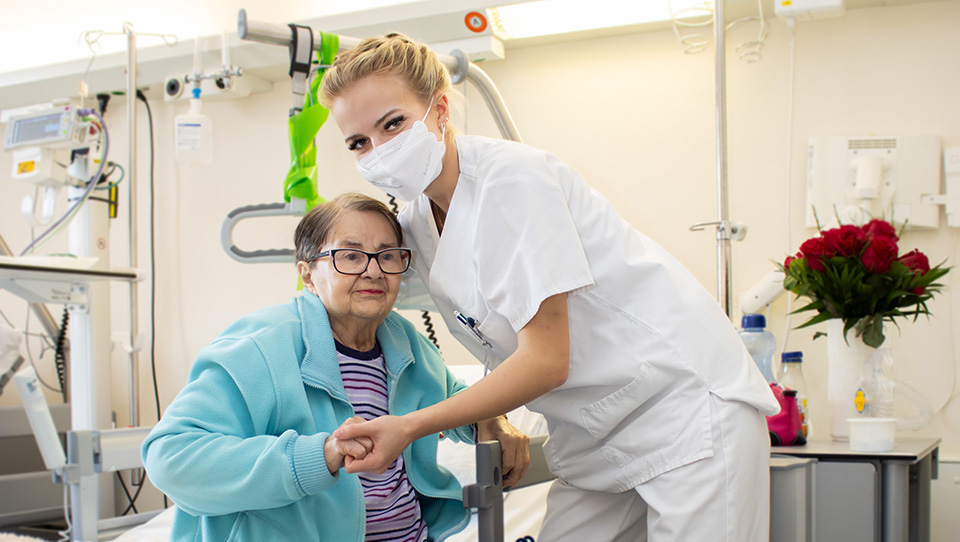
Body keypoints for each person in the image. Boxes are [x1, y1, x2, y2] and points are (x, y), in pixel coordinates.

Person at [320, 34, 781, 541]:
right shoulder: (415, 226)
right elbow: (373, 306)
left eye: (392, 124)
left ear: (441, 110)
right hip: (594, 434)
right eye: (359, 142)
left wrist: (410, 426)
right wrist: (486, 414)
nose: (380, 151)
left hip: (681, 409)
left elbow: (545, 359)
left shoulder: (512, 180)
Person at [141, 193, 529, 541]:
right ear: (307, 274)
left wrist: (490, 418)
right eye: (351, 256)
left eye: (388, 256)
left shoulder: (403, 341)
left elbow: (450, 398)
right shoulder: (261, 346)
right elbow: (171, 456)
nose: (374, 271)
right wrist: (320, 455)